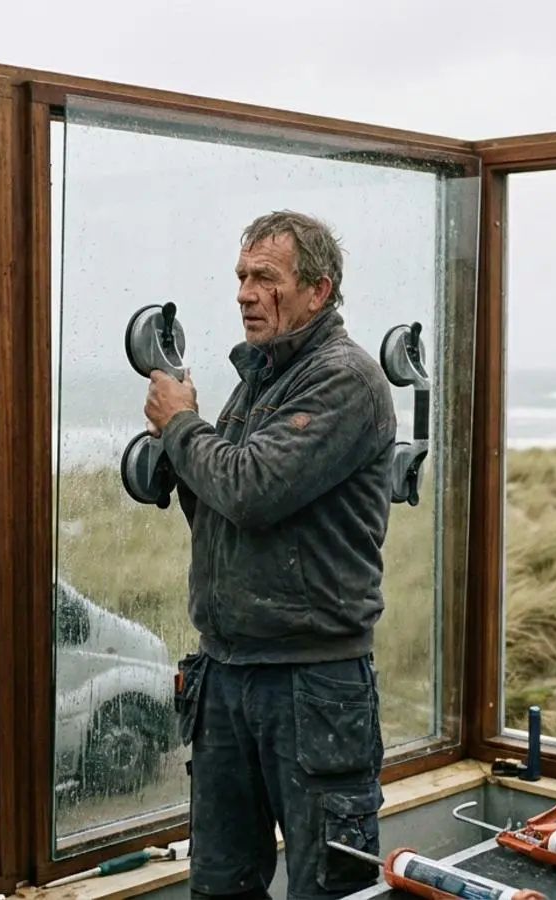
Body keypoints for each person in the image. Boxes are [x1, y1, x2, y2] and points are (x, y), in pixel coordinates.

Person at [142, 210, 396, 900]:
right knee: (220, 885)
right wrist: (182, 449)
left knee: (329, 890)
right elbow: (218, 502)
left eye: (266, 278)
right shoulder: (259, 379)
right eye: (241, 278)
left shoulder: (345, 380)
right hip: (226, 672)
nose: (245, 294)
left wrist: (181, 425)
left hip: (313, 685)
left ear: (318, 290)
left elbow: (251, 490)